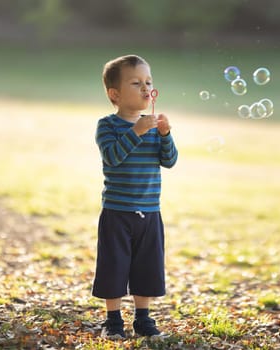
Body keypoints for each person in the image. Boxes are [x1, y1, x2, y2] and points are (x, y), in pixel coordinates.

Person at [92, 54, 178, 338]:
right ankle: (113, 319)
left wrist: (165, 135)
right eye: (136, 82)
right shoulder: (107, 126)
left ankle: (143, 319)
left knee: (147, 266)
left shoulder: (152, 127)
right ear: (114, 94)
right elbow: (113, 157)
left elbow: (169, 161)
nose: (145, 88)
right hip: (117, 211)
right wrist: (136, 131)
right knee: (113, 265)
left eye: (148, 82)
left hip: (150, 211)